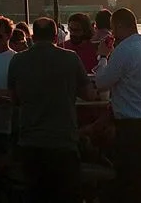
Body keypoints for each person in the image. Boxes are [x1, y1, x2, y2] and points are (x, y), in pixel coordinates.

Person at [7, 17, 94, 203]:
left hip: (30, 141)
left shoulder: (17, 60)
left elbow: (14, 98)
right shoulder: (71, 58)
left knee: (35, 194)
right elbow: (89, 95)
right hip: (63, 142)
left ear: (32, 36)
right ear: (56, 37)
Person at [95, 8, 141, 203]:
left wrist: (102, 57)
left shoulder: (123, 51)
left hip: (130, 127)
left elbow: (102, 83)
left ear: (118, 26)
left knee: (128, 181)